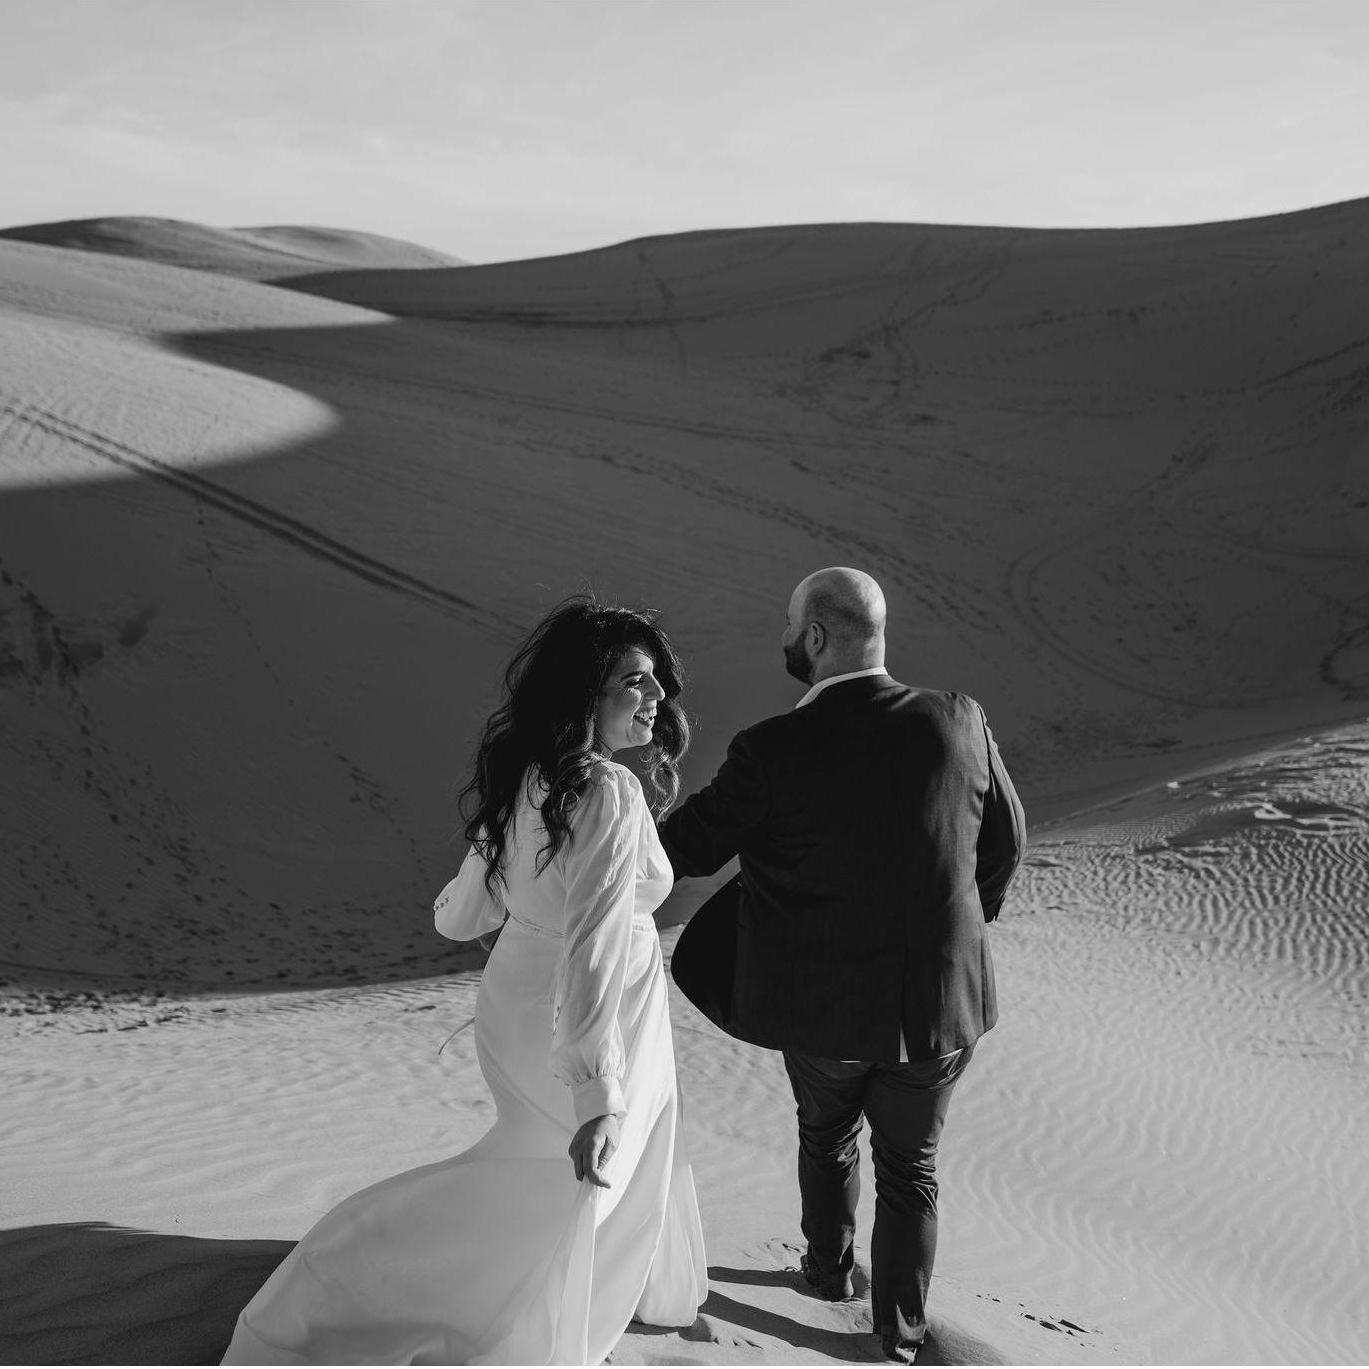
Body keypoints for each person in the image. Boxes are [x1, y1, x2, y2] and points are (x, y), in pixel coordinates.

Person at [222, 599, 707, 1366]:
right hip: (591, 1017)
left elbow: (459, 917)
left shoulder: (531, 780)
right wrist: (596, 1092)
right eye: (635, 681)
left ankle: (531, 1308)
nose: (656, 698)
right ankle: (440, 1300)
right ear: (587, 691)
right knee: (575, 1176)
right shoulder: (609, 791)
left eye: (657, 683)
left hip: (514, 1002)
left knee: (538, 1169)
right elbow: (594, 941)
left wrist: (509, 894)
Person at [659, 567, 1025, 1365]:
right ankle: (895, 1336)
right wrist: (960, 925)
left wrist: (629, 799)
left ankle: (826, 1273)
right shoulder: (959, 720)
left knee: (824, 1134)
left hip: (822, 1013)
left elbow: (681, 850)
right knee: (912, 1167)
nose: (786, 639)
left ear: (817, 637)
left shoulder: (770, 749)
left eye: (791, 626)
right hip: (940, 1005)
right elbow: (1005, 841)